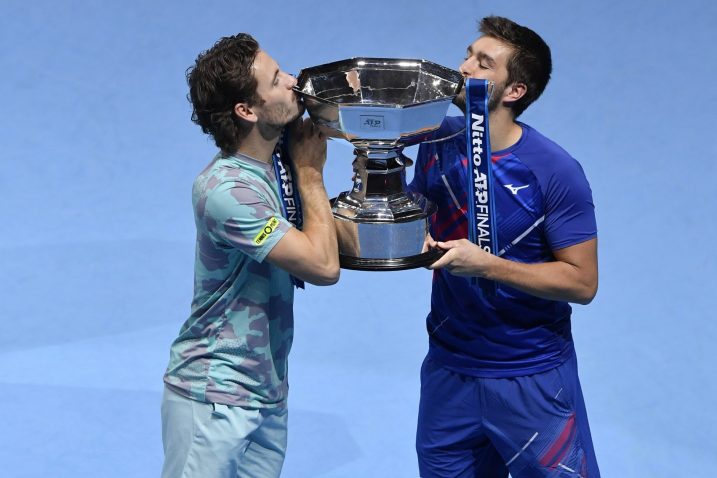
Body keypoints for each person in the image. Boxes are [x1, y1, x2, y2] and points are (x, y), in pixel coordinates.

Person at [409, 16, 600, 477]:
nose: (463, 66)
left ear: (514, 91)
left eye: (483, 63)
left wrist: (488, 266)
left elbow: (582, 281)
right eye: (469, 54)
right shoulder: (436, 141)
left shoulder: (553, 170)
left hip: (531, 380)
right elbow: (417, 210)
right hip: (448, 371)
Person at [161, 33, 339, 478]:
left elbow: (327, 239)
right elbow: (323, 265)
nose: (294, 82)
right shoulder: (228, 191)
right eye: (278, 79)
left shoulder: (276, 168)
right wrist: (312, 174)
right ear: (248, 110)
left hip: (265, 393)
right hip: (214, 397)